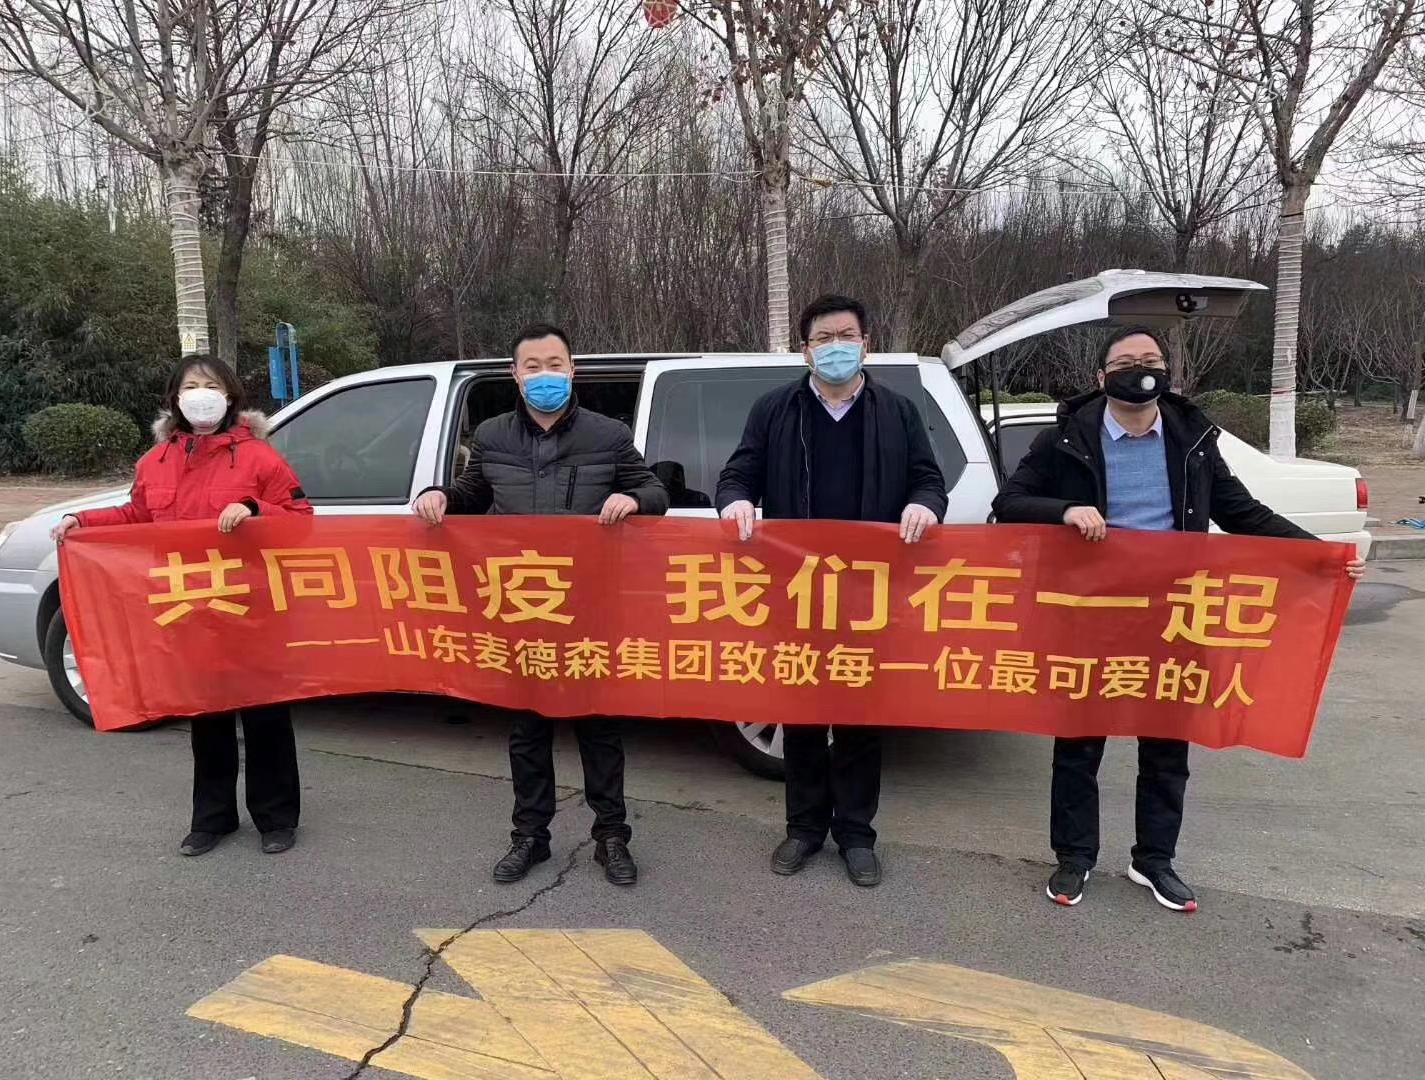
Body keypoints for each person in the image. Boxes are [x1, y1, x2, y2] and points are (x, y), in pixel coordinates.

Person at [993, 324, 1367, 912]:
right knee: (1079, 744)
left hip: (1176, 615)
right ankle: (1074, 858)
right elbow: (1008, 505)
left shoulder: (1192, 439)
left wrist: (1321, 555)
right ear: (1101, 377)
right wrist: (1065, 509)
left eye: (1150, 360)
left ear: (1167, 371)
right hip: (1091, 614)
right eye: (1125, 362)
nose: (1140, 370)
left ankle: (1154, 861)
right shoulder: (1064, 438)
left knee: (1167, 746)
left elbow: (1243, 512)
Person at [413, 323, 667, 887]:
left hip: (591, 605)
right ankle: (530, 837)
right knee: (527, 729)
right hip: (523, 606)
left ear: (573, 370)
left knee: (599, 728)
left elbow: (657, 491)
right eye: (533, 366)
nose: (544, 375)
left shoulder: (608, 434)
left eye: (555, 364)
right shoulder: (493, 435)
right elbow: (473, 493)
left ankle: (612, 837)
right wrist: (441, 496)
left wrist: (633, 497)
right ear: (515, 375)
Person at [715, 294, 948, 888]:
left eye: (846, 336)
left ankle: (857, 835)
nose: (836, 347)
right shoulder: (775, 409)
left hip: (871, 590)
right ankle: (803, 829)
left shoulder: (896, 412)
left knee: (860, 717)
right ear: (806, 350)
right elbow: (739, 472)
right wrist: (735, 500)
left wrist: (925, 505)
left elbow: (928, 479)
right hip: (797, 589)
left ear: (866, 343)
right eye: (823, 338)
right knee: (801, 715)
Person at [51, 355, 312, 857]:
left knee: (265, 716)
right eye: (190, 386)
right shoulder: (156, 461)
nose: (200, 395)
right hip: (189, 606)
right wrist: (83, 521)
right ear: (174, 397)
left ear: (230, 395)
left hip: (251, 607)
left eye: (211, 385)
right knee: (206, 715)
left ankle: (277, 818)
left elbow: (301, 518)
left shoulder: (260, 458)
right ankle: (212, 819)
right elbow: (136, 514)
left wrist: (255, 509)